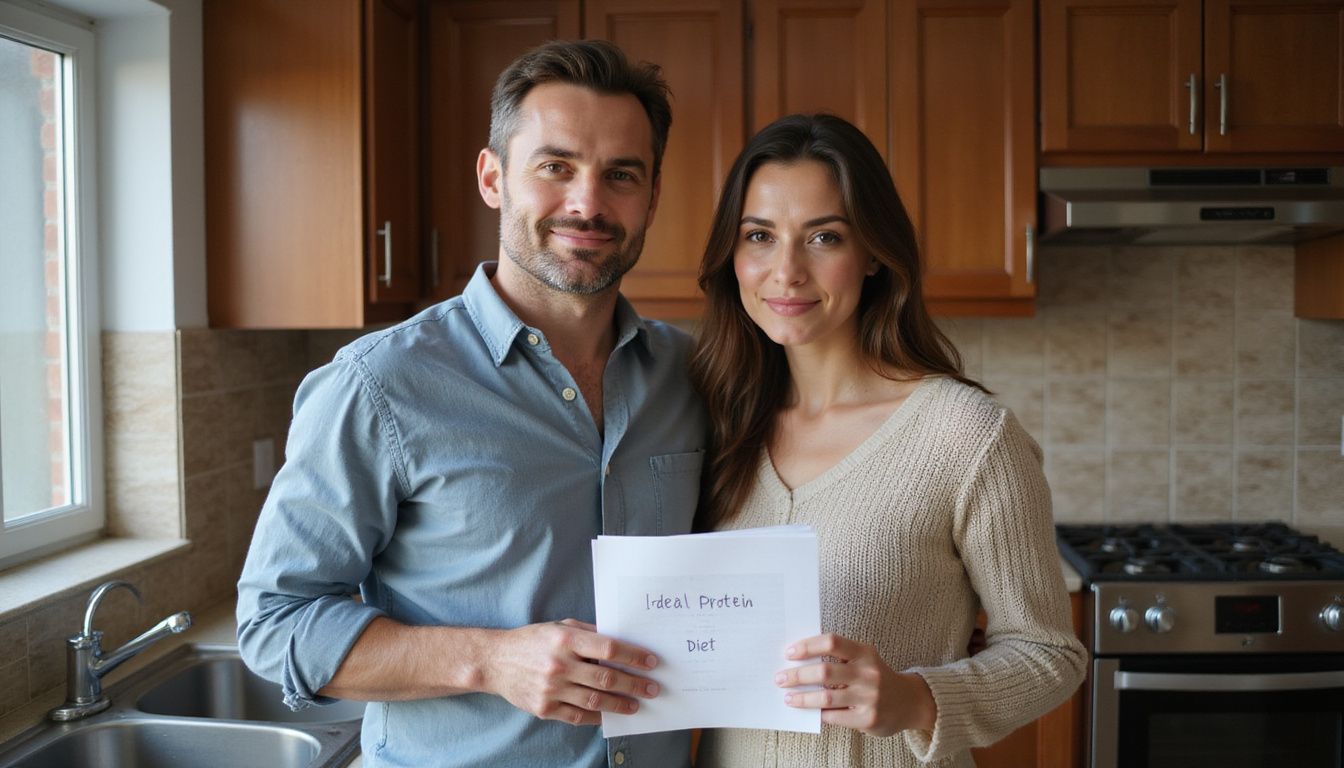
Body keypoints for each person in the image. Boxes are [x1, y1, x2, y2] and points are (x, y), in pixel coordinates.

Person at [235, 40, 706, 768]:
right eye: (555, 166)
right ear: (493, 178)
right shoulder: (378, 385)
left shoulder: (691, 374)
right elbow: (275, 624)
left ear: (653, 196)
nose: (588, 203)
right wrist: (488, 661)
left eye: (621, 175)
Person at [689, 114, 1087, 767]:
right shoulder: (713, 424)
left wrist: (916, 700)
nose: (785, 270)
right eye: (759, 235)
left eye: (824, 236)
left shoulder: (966, 434)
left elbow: (1051, 654)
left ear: (873, 252)